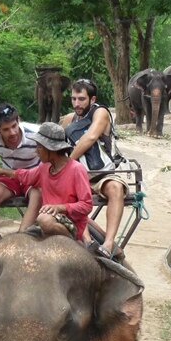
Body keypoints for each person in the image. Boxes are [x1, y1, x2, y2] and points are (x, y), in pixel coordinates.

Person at [59, 78, 130, 259]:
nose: (77, 103)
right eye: (74, 99)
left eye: (81, 99)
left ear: (92, 99)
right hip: (78, 176)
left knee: (115, 188)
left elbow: (90, 137)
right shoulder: (68, 120)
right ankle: (90, 241)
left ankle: (108, 243)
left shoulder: (101, 113)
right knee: (64, 202)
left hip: (103, 173)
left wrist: (67, 165)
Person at [0, 122, 92, 243]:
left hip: (68, 224)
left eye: (39, 147)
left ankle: (74, 242)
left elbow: (86, 205)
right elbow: (26, 176)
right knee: (25, 236)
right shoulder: (44, 167)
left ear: (51, 149)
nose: (36, 151)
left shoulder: (76, 169)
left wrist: (60, 208)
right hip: (48, 220)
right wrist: (3, 172)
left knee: (44, 220)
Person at [0, 102, 43, 248]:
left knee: (38, 194)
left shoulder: (37, 134)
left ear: (18, 120)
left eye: (14, 126)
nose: (12, 132)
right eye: (6, 129)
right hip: (8, 176)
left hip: (33, 176)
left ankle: (20, 241)